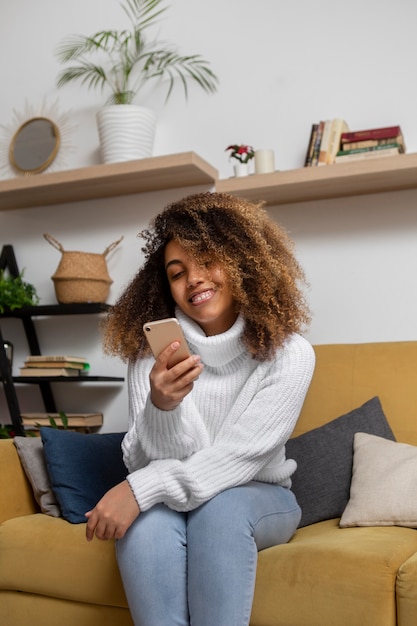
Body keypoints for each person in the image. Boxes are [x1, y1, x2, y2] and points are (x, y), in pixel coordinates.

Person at [85, 191, 315, 626]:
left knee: (220, 511)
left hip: (259, 495)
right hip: (178, 496)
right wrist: (162, 406)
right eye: (177, 272)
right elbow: (141, 460)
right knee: (145, 527)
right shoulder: (148, 357)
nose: (193, 279)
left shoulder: (290, 354)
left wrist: (138, 490)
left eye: (208, 260)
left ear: (243, 260)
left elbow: (234, 460)